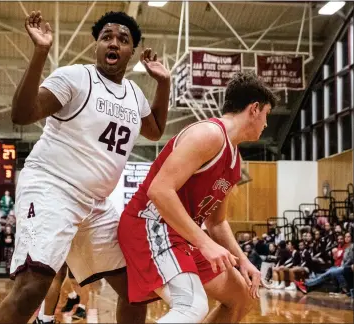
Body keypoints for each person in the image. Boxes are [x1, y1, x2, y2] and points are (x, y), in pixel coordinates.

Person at [0, 9, 170, 324]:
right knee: (33, 287)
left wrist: (164, 83)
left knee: (136, 289)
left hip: (96, 204)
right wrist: (40, 53)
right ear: (96, 45)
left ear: (131, 51)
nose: (113, 43)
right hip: (51, 187)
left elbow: (155, 130)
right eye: (106, 37)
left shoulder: (135, 95)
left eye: (122, 39)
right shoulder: (75, 77)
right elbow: (22, 113)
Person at [118, 71, 276, 323]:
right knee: (192, 305)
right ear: (254, 109)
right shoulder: (209, 135)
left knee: (242, 297)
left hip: (181, 236)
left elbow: (216, 222)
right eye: (267, 114)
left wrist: (243, 260)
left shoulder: (235, 160)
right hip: (150, 225)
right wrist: (204, 243)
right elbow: (159, 190)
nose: (266, 123)